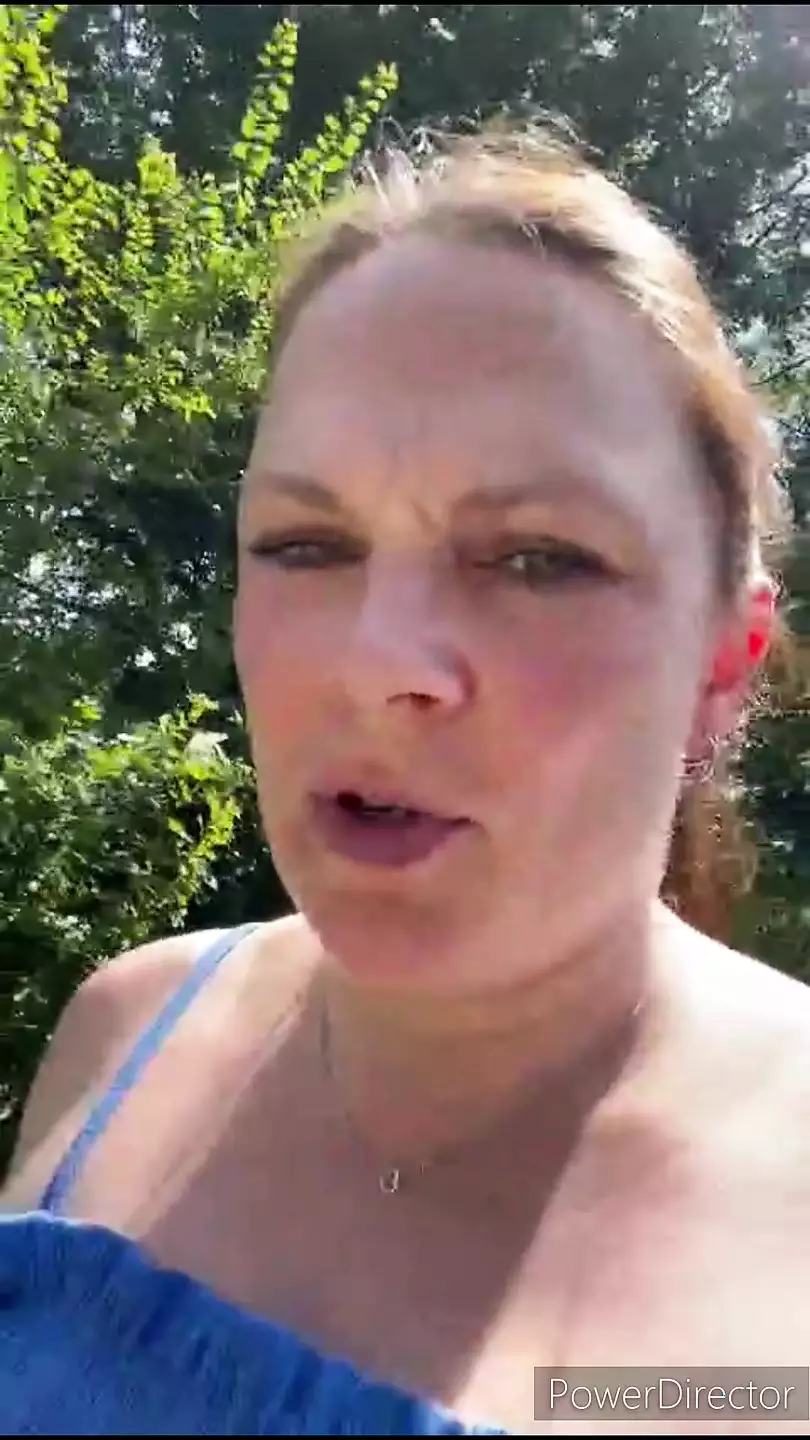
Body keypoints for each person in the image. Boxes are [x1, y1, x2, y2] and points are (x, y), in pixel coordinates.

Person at [2, 124, 809, 1437]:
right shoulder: (125, 1033)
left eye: (537, 559)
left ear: (723, 662)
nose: (378, 665)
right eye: (307, 544)